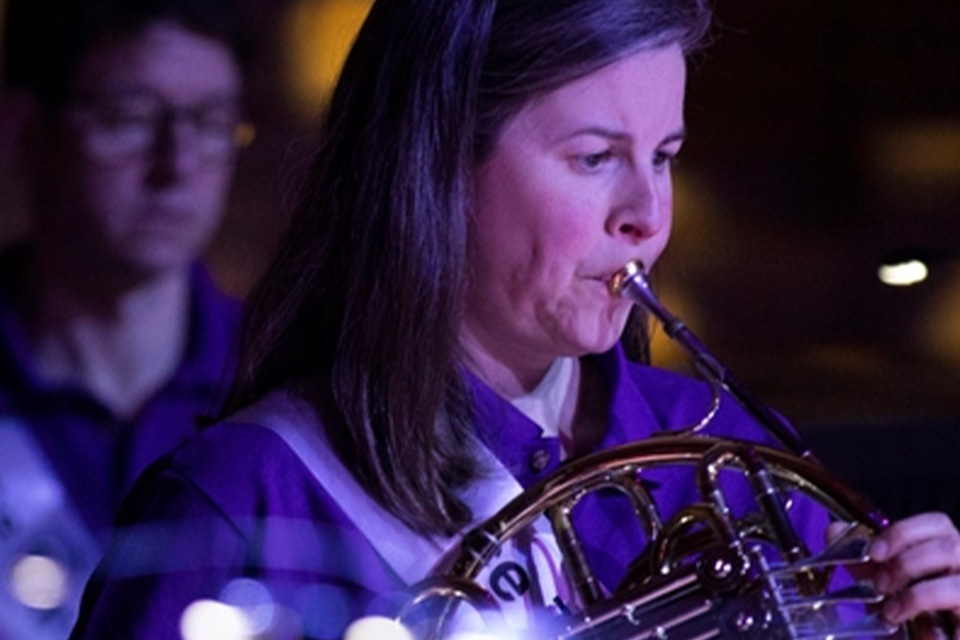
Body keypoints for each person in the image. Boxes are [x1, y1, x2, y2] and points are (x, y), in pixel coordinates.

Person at [70, 0, 960, 639]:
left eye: (666, 156)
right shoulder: (240, 503)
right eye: (595, 158)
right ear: (436, 167)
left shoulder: (728, 458)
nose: (648, 214)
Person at [0, 0, 250, 637]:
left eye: (212, 122)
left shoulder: (279, 380)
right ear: (25, 132)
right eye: (129, 119)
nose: (177, 165)